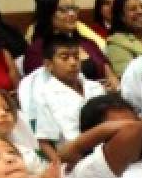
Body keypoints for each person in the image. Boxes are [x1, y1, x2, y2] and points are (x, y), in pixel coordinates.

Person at [34, 34, 107, 162]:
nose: (73, 63)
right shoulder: (44, 95)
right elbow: (44, 141)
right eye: (65, 58)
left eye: (76, 57)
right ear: (48, 64)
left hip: (107, 148)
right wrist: (59, 168)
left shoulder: (95, 87)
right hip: (75, 157)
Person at [22, 0, 116, 86]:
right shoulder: (37, 50)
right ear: (48, 14)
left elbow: (110, 74)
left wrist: (112, 84)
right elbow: (44, 87)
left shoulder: (87, 43)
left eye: (73, 8)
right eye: (63, 10)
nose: (72, 14)